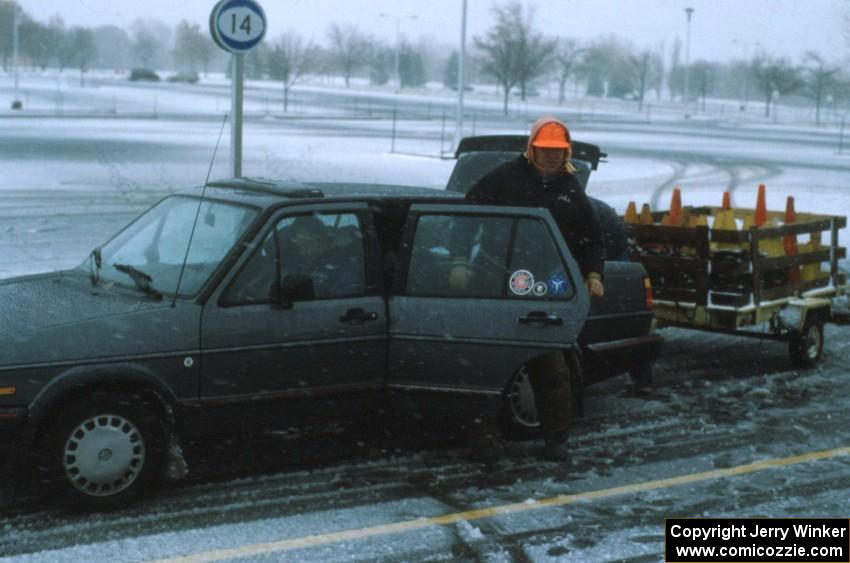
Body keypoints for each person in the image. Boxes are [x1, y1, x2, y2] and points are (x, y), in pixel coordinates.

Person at [451, 116, 606, 462]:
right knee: (489, 363)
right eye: (545, 150)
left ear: (566, 152)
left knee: (551, 365)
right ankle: (484, 437)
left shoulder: (570, 188)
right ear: (531, 148)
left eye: (558, 151)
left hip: (545, 288)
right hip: (495, 280)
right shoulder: (503, 179)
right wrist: (460, 262)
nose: (551, 157)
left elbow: (591, 238)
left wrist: (593, 273)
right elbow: (465, 221)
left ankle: (556, 438)